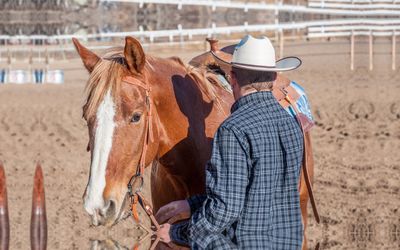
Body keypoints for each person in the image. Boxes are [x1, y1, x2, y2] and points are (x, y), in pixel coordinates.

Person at [156, 35, 306, 249]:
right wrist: (190, 204)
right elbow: (258, 192)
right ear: (273, 76)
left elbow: (225, 209)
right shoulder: (291, 124)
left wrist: (177, 233)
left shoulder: (233, 129)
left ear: (232, 77)